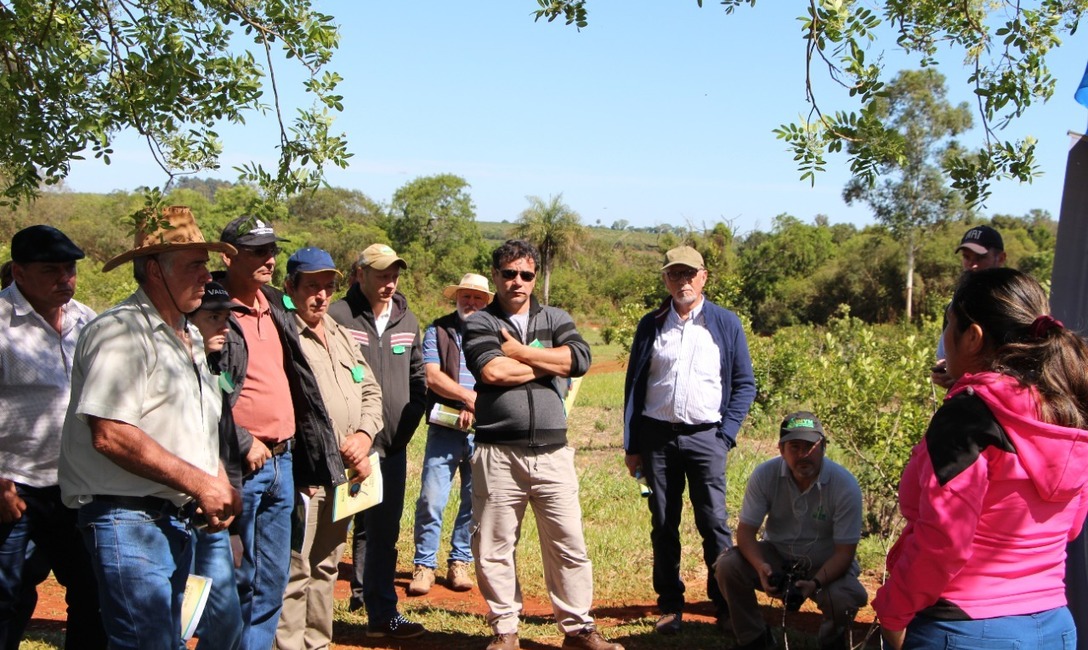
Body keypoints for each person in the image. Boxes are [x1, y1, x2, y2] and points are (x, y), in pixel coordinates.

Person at [874, 267, 1088, 649]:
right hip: (1054, 624)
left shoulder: (968, 417)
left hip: (965, 629)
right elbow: (1070, 526)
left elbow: (943, 540)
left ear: (972, 337)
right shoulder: (1065, 410)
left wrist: (893, 611)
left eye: (948, 325)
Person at [58, 206, 240, 650]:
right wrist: (200, 482)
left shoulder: (189, 335)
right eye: (195, 264)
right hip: (127, 519)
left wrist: (214, 477)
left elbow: (192, 424)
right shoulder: (120, 333)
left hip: (172, 520)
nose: (206, 275)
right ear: (155, 269)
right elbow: (111, 433)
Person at [462, 239, 623, 650]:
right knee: (494, 546)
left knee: (569, 542)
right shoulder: (481, 322)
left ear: (534, 278)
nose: (518, 281)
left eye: (526, 275)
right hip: (499, 453)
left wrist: (518, 352)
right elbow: (492, 371)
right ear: (496, 276)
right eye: (509, 274)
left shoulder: (556, 317)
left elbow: (580, 360)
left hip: (553, 454)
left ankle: (578, 629)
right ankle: (505, 630)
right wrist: (545, 361)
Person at [216, 216, 347, 650]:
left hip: (283, 461)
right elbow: (200, 391)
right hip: (240, 465)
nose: (269, 259)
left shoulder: (273, 306)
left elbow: (298, 384)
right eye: (257, 251)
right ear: (227, 256)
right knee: (230, 580)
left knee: (272, 579)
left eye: (272, 250)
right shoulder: (210, 310)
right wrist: (241, 440)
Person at [621, 245, 756, 635]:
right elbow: (633, 387)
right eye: (674, 274)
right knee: (664, 523)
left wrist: (724, 436)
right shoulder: (651, 324)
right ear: (665, 279)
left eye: (689, 274)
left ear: (703, 276)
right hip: (657, 439)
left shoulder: (725, 323)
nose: (682, 281)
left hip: (706, 438)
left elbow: (744, 385)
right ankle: (670, 604)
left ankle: (726, 604)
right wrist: (633, 446)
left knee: (714, 522)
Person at [0, 225, 106, 650]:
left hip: (75, 486)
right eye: (51, 270)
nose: (65, 279)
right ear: (20, 273)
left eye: (70, 269)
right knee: (6, 598)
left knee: (91, 590)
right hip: (15, 488)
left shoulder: (87, 320)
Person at [275, 247, 382, 650]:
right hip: (307, 472)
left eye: (327, 287)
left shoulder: (336, 330)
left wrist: (364, 437)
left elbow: (370, 388)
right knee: (296, 567)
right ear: (290, 288)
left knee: (327, 564)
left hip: (349, 470)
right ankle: (287, 644)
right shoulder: (284, 336)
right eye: (311, 287)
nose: (320, 296)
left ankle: (316, 643)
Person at [328, 243, 426, 639]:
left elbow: (418, 380)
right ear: (360, 274)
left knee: (384, 534)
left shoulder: (409, 320)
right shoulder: (337, 315)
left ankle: (382, 614)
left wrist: (403, 432)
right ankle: (309, 619)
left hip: (392, 449)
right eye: (382, 275)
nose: (389, 283)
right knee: (330, 536)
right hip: (345, 449)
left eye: (394, 275)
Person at [714, 412, 867, 650]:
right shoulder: (765, 475)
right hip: (778, 555)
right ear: (781, 449)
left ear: (823, 447)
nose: (803, 454)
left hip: (825, 563)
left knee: (845, 597)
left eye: (810, 446)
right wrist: (762, 568)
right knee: (728, 565)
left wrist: (814, 583)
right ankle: (754, 639)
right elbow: (745, 533)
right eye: (794, 447)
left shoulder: (844, 485)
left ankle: (831, 642)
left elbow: (844, 553)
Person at [407, 273, 492, 596]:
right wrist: (468, 399)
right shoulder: (438, 330)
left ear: (486, 301)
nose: (471, 302)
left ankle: (459, 562)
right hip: (445, 427)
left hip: (483, 430)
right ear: (456, 298)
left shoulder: (497, 332)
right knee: (432, 497)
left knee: (473, 500)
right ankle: (424, 565)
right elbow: (432, 376)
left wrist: (480, 406)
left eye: (477, 298)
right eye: (465, 296)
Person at [188, 281, 248, 650]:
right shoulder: (173, 368)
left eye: (226, 318)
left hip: (215, 505)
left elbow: (222, 441)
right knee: (176, 616)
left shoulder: (213, 367)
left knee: (224, 620)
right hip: (178, 508)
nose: (223, 327)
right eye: (213, 317)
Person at [931, 225, 1006, 389]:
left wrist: (969, 376)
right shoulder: (955, 307)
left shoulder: (1012, 307)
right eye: (967, 257)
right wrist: (948, 371)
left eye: (980, 258)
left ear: (1000, 258)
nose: (972, 265)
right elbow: (945, 356)